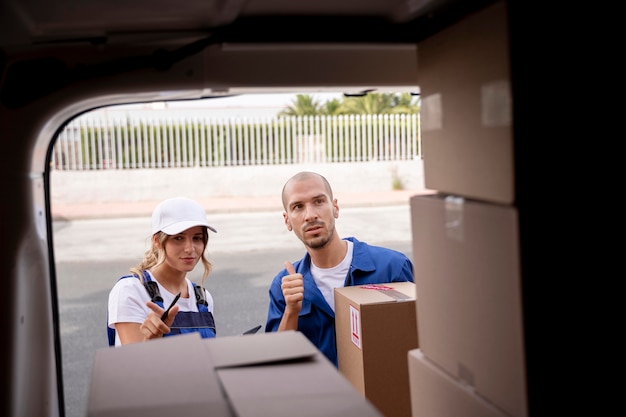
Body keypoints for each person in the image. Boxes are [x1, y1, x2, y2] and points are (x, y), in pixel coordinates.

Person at [265, 171, 415, 366]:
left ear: (335, 207)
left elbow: (422, 344)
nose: (310, 215)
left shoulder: (392, 267)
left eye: (318, 201)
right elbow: (276, 363)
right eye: (298, 207)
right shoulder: (283, 286)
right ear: (287, 221)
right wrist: (291, 311)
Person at [107, 196, 218, 346]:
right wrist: (151, 340)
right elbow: (132, 364)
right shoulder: (131, 290)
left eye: (197, 238)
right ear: (157, 241)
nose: (190, 249)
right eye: (178, 238)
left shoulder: (204, 298)